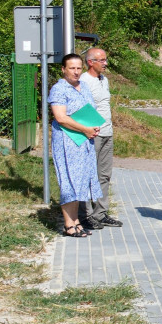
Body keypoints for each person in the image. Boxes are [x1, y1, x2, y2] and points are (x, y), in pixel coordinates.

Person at [48, 53, 102, 238]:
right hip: (67, 140)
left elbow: (88, 111)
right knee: (68, 180)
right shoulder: (59, 89)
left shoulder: (84, 86)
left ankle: (75, 221)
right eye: (72, 68)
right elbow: (61, 117)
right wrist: (85, 129)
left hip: (84, 141)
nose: (76, 72)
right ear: (63, 69)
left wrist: (92, 127)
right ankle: (68, 224)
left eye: (79, 68)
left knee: (79, 180)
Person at [79, 47, 123, 229]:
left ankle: (100, 213)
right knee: (88, 174)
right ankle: (85, 214)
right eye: (102, 60)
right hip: (92, 134)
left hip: (107, 133)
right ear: (91, 62)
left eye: (105, 60)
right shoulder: (83, 80)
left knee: (104, 175)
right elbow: (80, 109)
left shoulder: (103, 80)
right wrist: (89, 129)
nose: (106, 63)